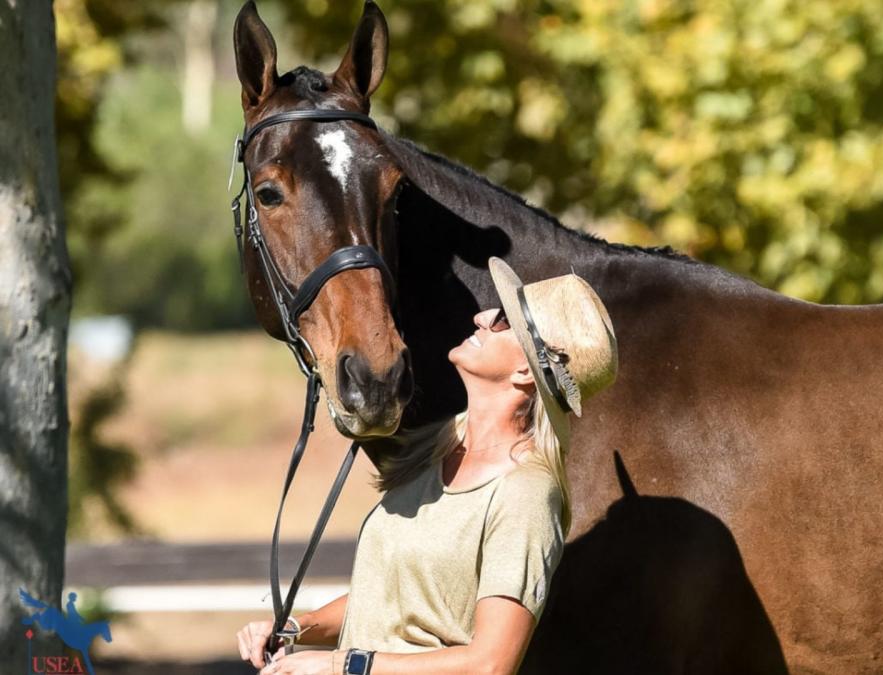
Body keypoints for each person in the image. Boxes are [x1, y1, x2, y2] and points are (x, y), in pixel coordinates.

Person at [237, 257, 618, 675]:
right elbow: (393, 601)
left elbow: (490, 664)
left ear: (527, 370)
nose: (482, 315)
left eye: (504, 320)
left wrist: (343, 665)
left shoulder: (525, 494)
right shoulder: (434, 450)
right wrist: (294, 626)